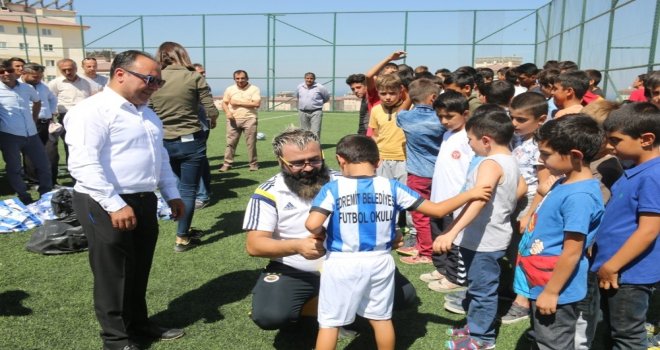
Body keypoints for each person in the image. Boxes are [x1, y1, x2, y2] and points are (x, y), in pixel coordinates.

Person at [306, 134, 492, 350]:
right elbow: (439, 209)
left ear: (340, 159)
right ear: (378, 162)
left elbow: (312, 224)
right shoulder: (392, 187)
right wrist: (471, 193)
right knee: (381, 318)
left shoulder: (333, 188)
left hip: (342, 262)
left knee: (330, 323)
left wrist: (320, 232)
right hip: (380, 261)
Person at [65, 49, 186, 350]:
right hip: (104, 201)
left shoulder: (147, 113)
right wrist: (115, 203)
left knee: (138, 266)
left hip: (143, 199)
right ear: (120, 74)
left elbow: (159, 158)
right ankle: (116, 340)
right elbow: (83, 164)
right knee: (113, 273)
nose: (154, 87)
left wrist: (172, 194)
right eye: (149, 79)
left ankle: (139, 324)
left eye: (157, 82)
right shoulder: (91, 111)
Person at [243, 128, 417, 331]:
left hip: (353, 264)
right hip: (296, 270)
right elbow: (254, 245)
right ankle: (335, 307)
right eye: (298, 163)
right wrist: (297, 246)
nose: (308, 168)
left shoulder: (346, 181)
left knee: (404, 295)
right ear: (281, 162)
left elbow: (379, 212)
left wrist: (391, 233)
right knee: (270, 316)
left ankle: (342, 307)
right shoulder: (268, 192)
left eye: (314, 160)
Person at [434, 104, 523, 349]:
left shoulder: (490, 164)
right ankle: (475, 327)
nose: (469, 145)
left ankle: (481, 339)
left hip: (484, 241)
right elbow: (521, 187)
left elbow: (478, 200)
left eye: (470, 140)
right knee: (477, 286)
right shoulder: (510, 159)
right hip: (489, 237)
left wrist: (451, 231)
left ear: (486, 140)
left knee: (483, 290)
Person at [514, 115, 605, 350]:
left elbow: (572, 252)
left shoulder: (579, 197)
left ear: (575, 155)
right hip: (541, 280)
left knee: (553, 342)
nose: (540, 159)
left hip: (556, 287)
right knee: (544, 336)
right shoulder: (563, 182)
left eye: (545, 154)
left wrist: (552, 292)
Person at [591, 103, 660, 350]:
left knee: (627, 335)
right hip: (614, 269)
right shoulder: (635, 169)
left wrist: (612, 265)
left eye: (616, 140)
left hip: (628, 274)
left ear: (646, 139)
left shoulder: (654, 175)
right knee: (609, 328)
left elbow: (649, 230)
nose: (610, 146)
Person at [149, 41, 219, 252]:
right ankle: (182, 237)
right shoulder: (193, 77)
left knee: (175, 186)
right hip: (191, 141)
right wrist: (212, 122)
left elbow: (148, 107)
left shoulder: (155, 78)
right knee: (188, 190)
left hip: (163, 141)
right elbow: (211, 110)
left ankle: (182, 226)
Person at [500, 92, 550, 324]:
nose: (514, 123)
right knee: (512, 249)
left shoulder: (542, 144)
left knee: (524, 251)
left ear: (541, 120)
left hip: (529, 201)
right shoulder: (514, 137)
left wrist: (530, 213)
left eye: (521, 119)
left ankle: (523, 301)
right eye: (512, 117)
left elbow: (543, 184)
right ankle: (514, 289)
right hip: (512, 198)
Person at [422, 90, 474, 294]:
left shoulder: (469, 137)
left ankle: (454, 276)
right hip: (438, 200)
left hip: (457, 201)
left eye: (449, 116)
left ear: (466, 113)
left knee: (454, 240)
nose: (444, 121)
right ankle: (442, 269)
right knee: (439, 235)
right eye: (440, 116)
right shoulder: (447, 134)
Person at [395, 78, 445, 265]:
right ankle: (426, 245)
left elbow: (400, 112)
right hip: (440, 174)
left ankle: (426, 252)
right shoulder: (442, 118)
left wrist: (407, 97)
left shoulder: (406, 118)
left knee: (420, 214)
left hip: (417, 174)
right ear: (433, 98)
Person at [0, 59, 52, 204]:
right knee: (15, 168)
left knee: (43, 165)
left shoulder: (26, 88)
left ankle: (45, 195)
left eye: (9, 71)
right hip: (9, 136)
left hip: (31, 134)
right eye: (1, 71)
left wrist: (34, 119)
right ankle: (24, 196)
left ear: (15, 71)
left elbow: (37, 101)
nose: (5, 74)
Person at [20, 63, 59, 186]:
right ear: (24, 73)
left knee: (51, 152)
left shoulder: (43, 86)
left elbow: (53, 99)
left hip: (46, 124)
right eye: (34, 77)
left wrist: (52, 112)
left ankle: (52, 181)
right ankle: (34, 181)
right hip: (29, 124)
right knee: (31, 154)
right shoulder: (17, 87)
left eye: (40, 76)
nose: (38, 79)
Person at [48, 58, 93, 163]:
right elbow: (49, 100)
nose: (68, 72)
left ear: (76, 68)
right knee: (69, 144)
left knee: (85, 143)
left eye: (70, 69)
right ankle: (72, 169)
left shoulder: (86, 82)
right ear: (60, 70)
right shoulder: (55, 83)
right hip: (65, 117)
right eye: (64, 70)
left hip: (85, 117)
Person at [219, 69, 261, 172]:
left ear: (247, 78)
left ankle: (253, 164)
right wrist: (228, 113)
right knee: (230, 143)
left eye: (242, 78)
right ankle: (227, 164)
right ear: (234, 79)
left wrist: (237, 102)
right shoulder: (230, 89)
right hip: (233, 120)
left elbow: (256, 104)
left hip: (250, 119)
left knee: (251, 143)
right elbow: (224, 103)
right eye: (237, 78)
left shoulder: (254, 89)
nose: (240, 80)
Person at [191, 63, 212, 209]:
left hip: (199, 127)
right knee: (201, 159)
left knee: (197, 160)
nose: (203, 75)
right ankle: (205, 191)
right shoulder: (194, 84)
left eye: (203, 72)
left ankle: (202, 195)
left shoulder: (202, 86)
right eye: (200, 72)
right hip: (197, 126)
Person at [296, 72, 330, 139]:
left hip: (316, 112)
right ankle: (305, 147)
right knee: (304, 131)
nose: (309, 80)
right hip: (303, 112)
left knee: (315, 131)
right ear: (304, 78)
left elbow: (326, 98)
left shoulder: (320, 87)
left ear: (314, 79)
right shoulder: (299, 87)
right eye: (307, 78)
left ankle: (315, 147)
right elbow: (298, 97)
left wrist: (317, 104)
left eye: (311, 78)